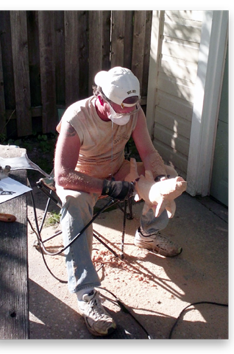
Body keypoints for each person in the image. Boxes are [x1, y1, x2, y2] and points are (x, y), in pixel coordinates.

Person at [54, 66, 181, 337]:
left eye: (129, 110)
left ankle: (147, 233)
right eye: (120, 110)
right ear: (101, 99)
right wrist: (107, 187)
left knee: (165, 179)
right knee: (74, 205)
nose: (126, 115)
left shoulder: (134, 111)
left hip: (117, 168)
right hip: (82, 177)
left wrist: (160, 182)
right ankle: (86, 294)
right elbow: (63, 175)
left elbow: (147, 151)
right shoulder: (77, 116)